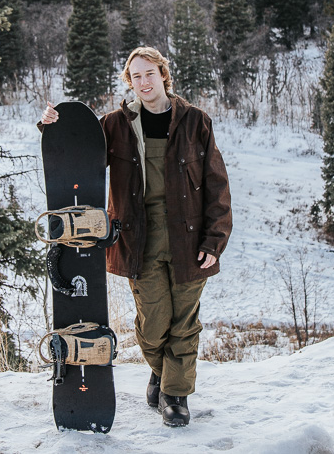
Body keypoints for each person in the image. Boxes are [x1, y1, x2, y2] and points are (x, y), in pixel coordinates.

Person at [40, 46, 232, 427]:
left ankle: (175, 395)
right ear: (130, 82)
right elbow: (78, 145)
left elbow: (217, 185)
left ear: (163, 74)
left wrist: (215, 241)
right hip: (137, 237)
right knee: (153, 321)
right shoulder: (116, 124)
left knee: (184, 322)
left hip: (189, 239)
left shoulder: (195, 121)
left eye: (150, 74)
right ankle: (159, 373)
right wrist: (52, 124)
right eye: (136, 76)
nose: (144, 82)